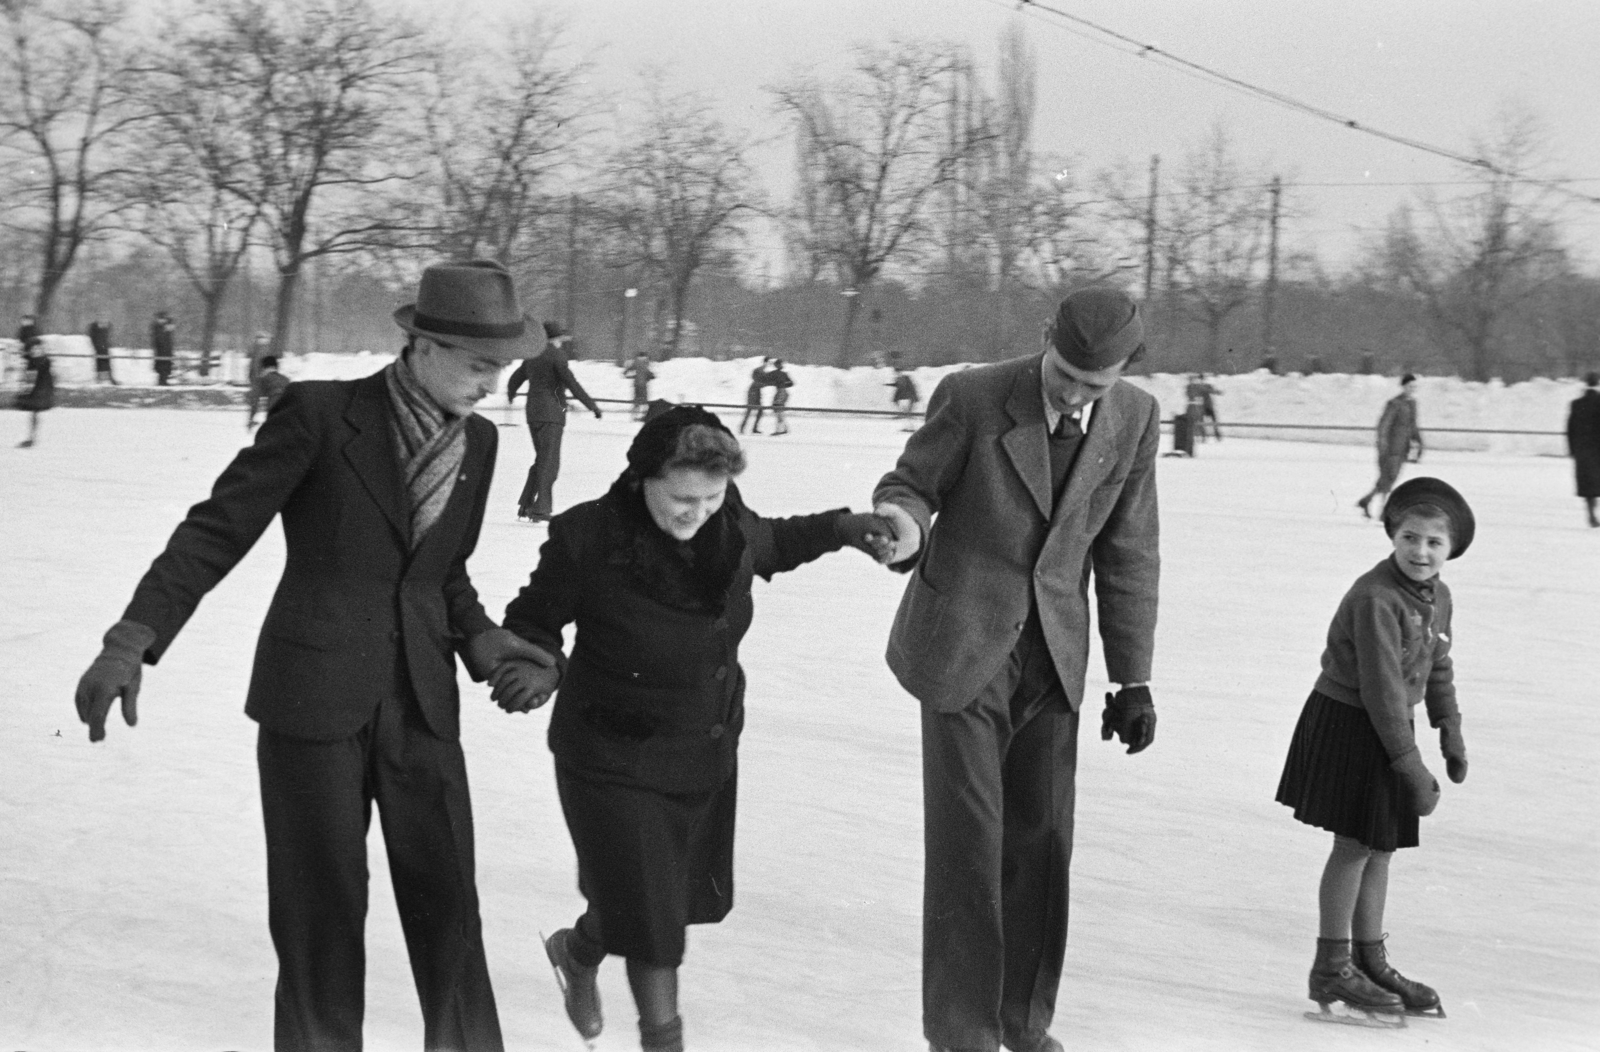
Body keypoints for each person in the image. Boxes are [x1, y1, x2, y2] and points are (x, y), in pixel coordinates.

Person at [72, 259, 556, 1052]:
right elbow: (216, 531)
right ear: (424, 345)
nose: (490, 387)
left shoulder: (479, 444)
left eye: (501, 369)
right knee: (320, 918)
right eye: (478, 367)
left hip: (422, 707)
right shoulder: (324, 416)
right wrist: (134, 637)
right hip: (313, 703)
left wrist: (489, 644)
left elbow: (443, 575)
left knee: (450, 912)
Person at [490, 404, 892, 1052]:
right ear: (642, 477)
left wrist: (845, 527)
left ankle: (578, 950)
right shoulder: (589, 536)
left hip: (700, 748)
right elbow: (532, 618)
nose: (696, 513)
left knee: (657, 902)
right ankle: (663, 1041)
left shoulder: (728, 526)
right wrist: (540, 667)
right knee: (654, 926)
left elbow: (777, 540)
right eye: (681, 498)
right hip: (611, 758)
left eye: (711, 497)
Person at [870, 286, 1161, 1052]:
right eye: (1064, 373)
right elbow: (910, 484)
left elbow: (1129, 548)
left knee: (1042, 845)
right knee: (970, 846)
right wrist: (902, 524)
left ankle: (1023, 1024)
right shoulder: (973, 395)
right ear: (1044, 340)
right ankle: (963, 1035)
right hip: (962, 644)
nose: (1073, 394)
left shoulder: (1135, 418)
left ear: (1124, 371)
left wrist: (1133, 679)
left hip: (1054, 656)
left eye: (1093, 385)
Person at [1275, 477, 1475, 1024]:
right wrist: (1410, 766)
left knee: (1380, 847)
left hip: (1390, 726)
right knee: (1355, 845)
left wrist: (1449, 727)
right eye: (1410, 538)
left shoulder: (1438, 595)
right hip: (1352, 722)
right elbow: (1383, 689)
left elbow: (1437, 663)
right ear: (1392, 535)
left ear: (1451, 548)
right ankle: (1331, 965)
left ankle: (1370, 959)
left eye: (1435, 543)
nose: (1421, 551)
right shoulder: (1375, 597)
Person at [506, 322, 602, 523]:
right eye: (559, 338)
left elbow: (516, 377)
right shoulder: (557, 356)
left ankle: (525, 505)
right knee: (550, 462)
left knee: (542, 459)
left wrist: (511, 393)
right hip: (553, 415)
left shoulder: (532, 355)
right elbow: (571, 383)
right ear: (555, 338)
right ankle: (541, 509)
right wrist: (592, 406)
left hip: (533, 413)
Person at [1356, 374, 1424, 519]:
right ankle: (1382, 511)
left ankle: (1367, 501)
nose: (1412, 389)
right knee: (1388, 479)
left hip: (1402, 449)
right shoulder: (1394, 403)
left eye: (1414, 387)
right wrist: (1383, 446)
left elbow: (1413, 426)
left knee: (1388, 480)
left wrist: (1419, 443)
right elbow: (1383, 426)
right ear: (1403, 386)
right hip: (1390, 449)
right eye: (1410, 386)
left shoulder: (1412, 404)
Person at [1565, 371, 1600, 528]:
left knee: (1588, 486)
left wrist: (1573, 450)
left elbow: (1570, 429)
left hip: (1583, 451)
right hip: (1598, 450)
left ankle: (1591, 513)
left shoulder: (1576, 404)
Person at [13, 337, 54, 447]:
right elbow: (29, 379)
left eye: (38, 348)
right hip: (35, 391)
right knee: (34, 413)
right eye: (34, 349)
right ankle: (31, 438)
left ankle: (31, 438)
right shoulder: (32, 362)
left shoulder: (43, 361)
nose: (36, 350)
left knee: (35, 413)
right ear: (31, 350)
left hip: (41, 391)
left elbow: (42, 377)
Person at [249, 356, 291, 424]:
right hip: (288, 416)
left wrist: (251, 419)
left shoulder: (263, 380)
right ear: (276, 367)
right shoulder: (286, 379)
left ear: (263, 368)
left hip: (274, 414)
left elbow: (255, 400)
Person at [737, 357, 774, 434]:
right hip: (753, 392)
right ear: (765, 362)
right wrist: (769, 383)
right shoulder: (759, 370)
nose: (770, 364)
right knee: (749, 410)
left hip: (757, 392)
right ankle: (742, 428)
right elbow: (758, 381)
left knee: (759, 411)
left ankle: (753, 428)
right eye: (769, 362)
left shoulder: (762, 371)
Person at [245, 331, 273, 426]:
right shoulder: (262, 350)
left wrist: (251, 377)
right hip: (260, 379)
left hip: (256, 378)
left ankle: (251, 420)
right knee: (267, 399)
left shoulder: (256, 349)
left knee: (256, 401)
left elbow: (252, 365)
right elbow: (259, 365)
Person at [1185, 372, 1222, 441]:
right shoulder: (1199, 386)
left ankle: (1214, 435)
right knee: (1203, 421)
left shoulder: (1204, 386)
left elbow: (1212, 391)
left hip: (1206, 406)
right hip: (1202, 406)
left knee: (1211, 421)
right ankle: (1204, 436)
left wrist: (1217, 392)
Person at [623, 351, 655, 420]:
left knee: (636, 400)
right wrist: (652, 375)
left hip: (637, 384)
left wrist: (625, 372)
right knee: (644, 400)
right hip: (643, 385)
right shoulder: (645, 362)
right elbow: (647, 371)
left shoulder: (636, 362)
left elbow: (630, 368)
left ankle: (634, 415)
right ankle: (645, 415)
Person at [889, 364, 921, 432]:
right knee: (907, 413)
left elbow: (902, 388)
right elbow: (900, 386)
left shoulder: (903, 378)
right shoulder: (903, 378)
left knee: (907, 413)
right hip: (907, 398)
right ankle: (909, 427)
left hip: (907, 398)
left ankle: (911, 427)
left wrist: (896, 398)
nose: (895, 374)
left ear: (899, 371)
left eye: (896, 372)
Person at [767, 358, 794, 435]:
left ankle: (779, 430)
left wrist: (778, 384)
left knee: (778, 410)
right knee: (779, 410)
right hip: (784, 392)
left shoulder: (774, 373)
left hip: (780, 392)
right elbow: (791, 383)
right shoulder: (784, 374)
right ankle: (784, 428)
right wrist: (783, 385)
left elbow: (766, 379)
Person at [150, 310, 176, 386]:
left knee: (166, 365)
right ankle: (162, 381)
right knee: (162, 365)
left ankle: (163, 380)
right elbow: (159, 338)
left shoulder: (162, 326)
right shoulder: (157, 327)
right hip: (161, 350)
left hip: (166, 349)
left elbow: (168, 336)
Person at [88, 320, 117, 384]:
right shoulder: (96, 331)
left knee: (104, 361)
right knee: (101, 361)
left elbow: (105, 338)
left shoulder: (101, 331)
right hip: (100, 347)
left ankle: (106, 378)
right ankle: (101, 378)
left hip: (102, 347)